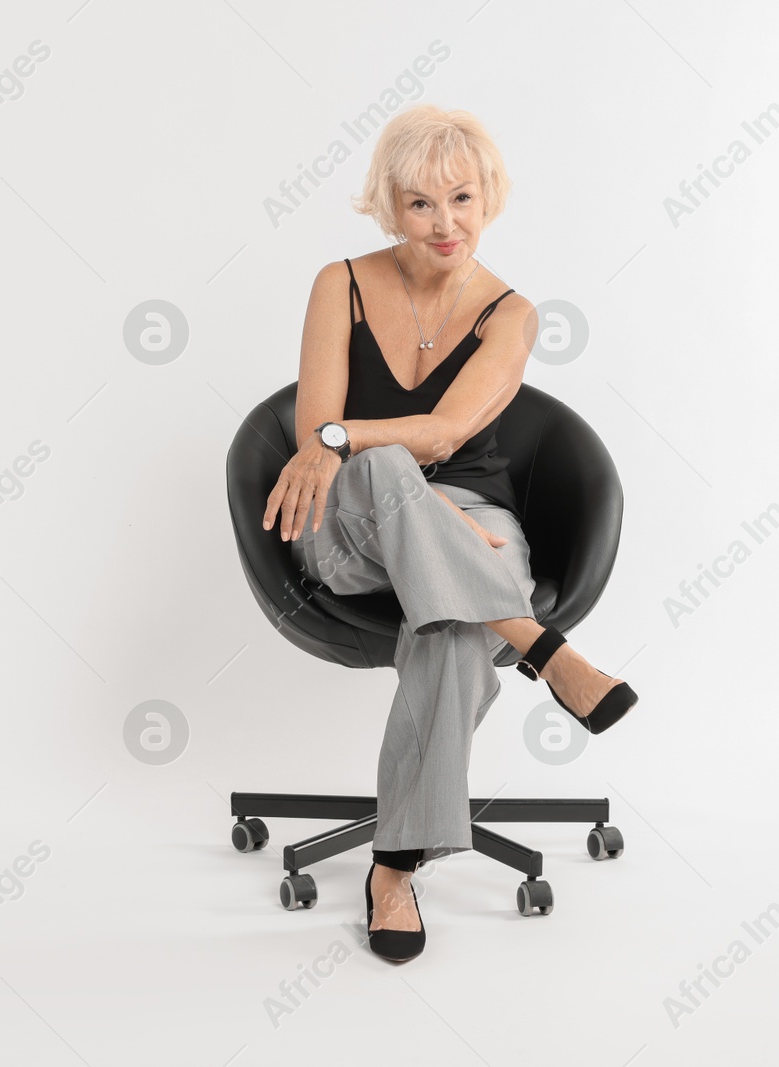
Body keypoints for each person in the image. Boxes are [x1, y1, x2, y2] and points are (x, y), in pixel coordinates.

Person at [260, 104, 640, 962]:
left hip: (474, 515)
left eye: (462, 199)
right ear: (390, 205)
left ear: (490, 198)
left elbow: (442, 434)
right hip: (346, 531)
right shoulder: (341, 285)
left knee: (452, 620)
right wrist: (337, 444)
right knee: (390, 473)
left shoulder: (510, 312)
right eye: (422, 203)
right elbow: (322, 425)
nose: (446, 223)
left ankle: (392, 868)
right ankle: (543, 646)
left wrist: (339, 440)